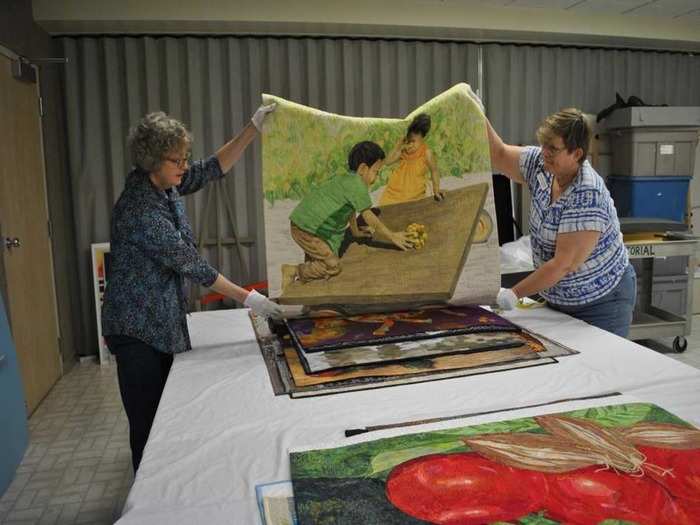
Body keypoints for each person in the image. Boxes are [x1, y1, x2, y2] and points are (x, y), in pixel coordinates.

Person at [101, 106, 281, 472]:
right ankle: (149, 495)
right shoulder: (140, 209)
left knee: (165, 417)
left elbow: (211, 168)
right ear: (152, 160)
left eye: (184, 158)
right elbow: (192, 265)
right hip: (137, 328)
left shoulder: (165, 183)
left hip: (162, 320)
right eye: (176, 160)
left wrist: (252, 128)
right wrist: (252, 299)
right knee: (148, 424)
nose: (184, 166)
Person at [468, 93, 636, 337]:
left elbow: (562, 265)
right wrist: (477, 116)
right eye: (544, 145)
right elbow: (500, 154)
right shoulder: (542, 164)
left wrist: (514, 293)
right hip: (560, 300)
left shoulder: (587, 194)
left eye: (553, 149)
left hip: (602, 303)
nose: (544, 152)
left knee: (599, 369)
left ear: (576, 154)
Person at [281, 141, 414, 289]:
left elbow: (350, 209)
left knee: (317, 264)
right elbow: (368, 215)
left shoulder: (345, 180)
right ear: (363, 168)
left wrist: (356, 232)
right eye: (376, 171)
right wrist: (392, 236)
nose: (376, 177)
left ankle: (305, 282)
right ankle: (292, 270)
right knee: (333, 266)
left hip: (306, 225)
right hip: (308, 230)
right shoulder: (356, 185)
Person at [379, 113, 443, 205]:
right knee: (386, 205)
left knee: (411, 208)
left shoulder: (426, 153)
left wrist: (436, 189)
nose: (410, 145)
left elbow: (434, 171)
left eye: (414, 141)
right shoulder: (403, 151)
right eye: (409, 141)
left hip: (414, 193)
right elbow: (387, 162)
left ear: (422, 140)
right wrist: (398, 147)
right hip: (395, 191)